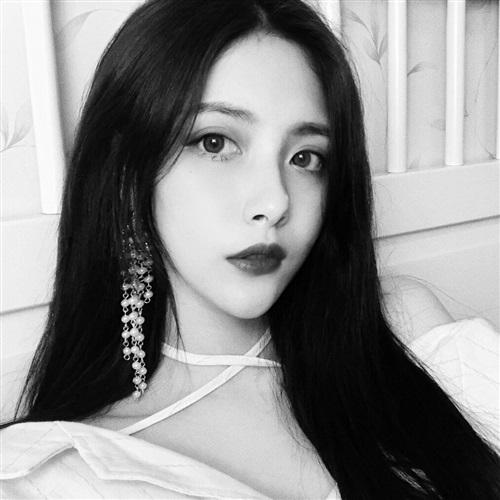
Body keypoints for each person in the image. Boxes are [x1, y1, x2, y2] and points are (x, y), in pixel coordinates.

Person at [1, 0, 499, 498]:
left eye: (305, 157)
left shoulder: (407, 331)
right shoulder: (57, 472)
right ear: (129, 177)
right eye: (215, 143)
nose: (275, 202)